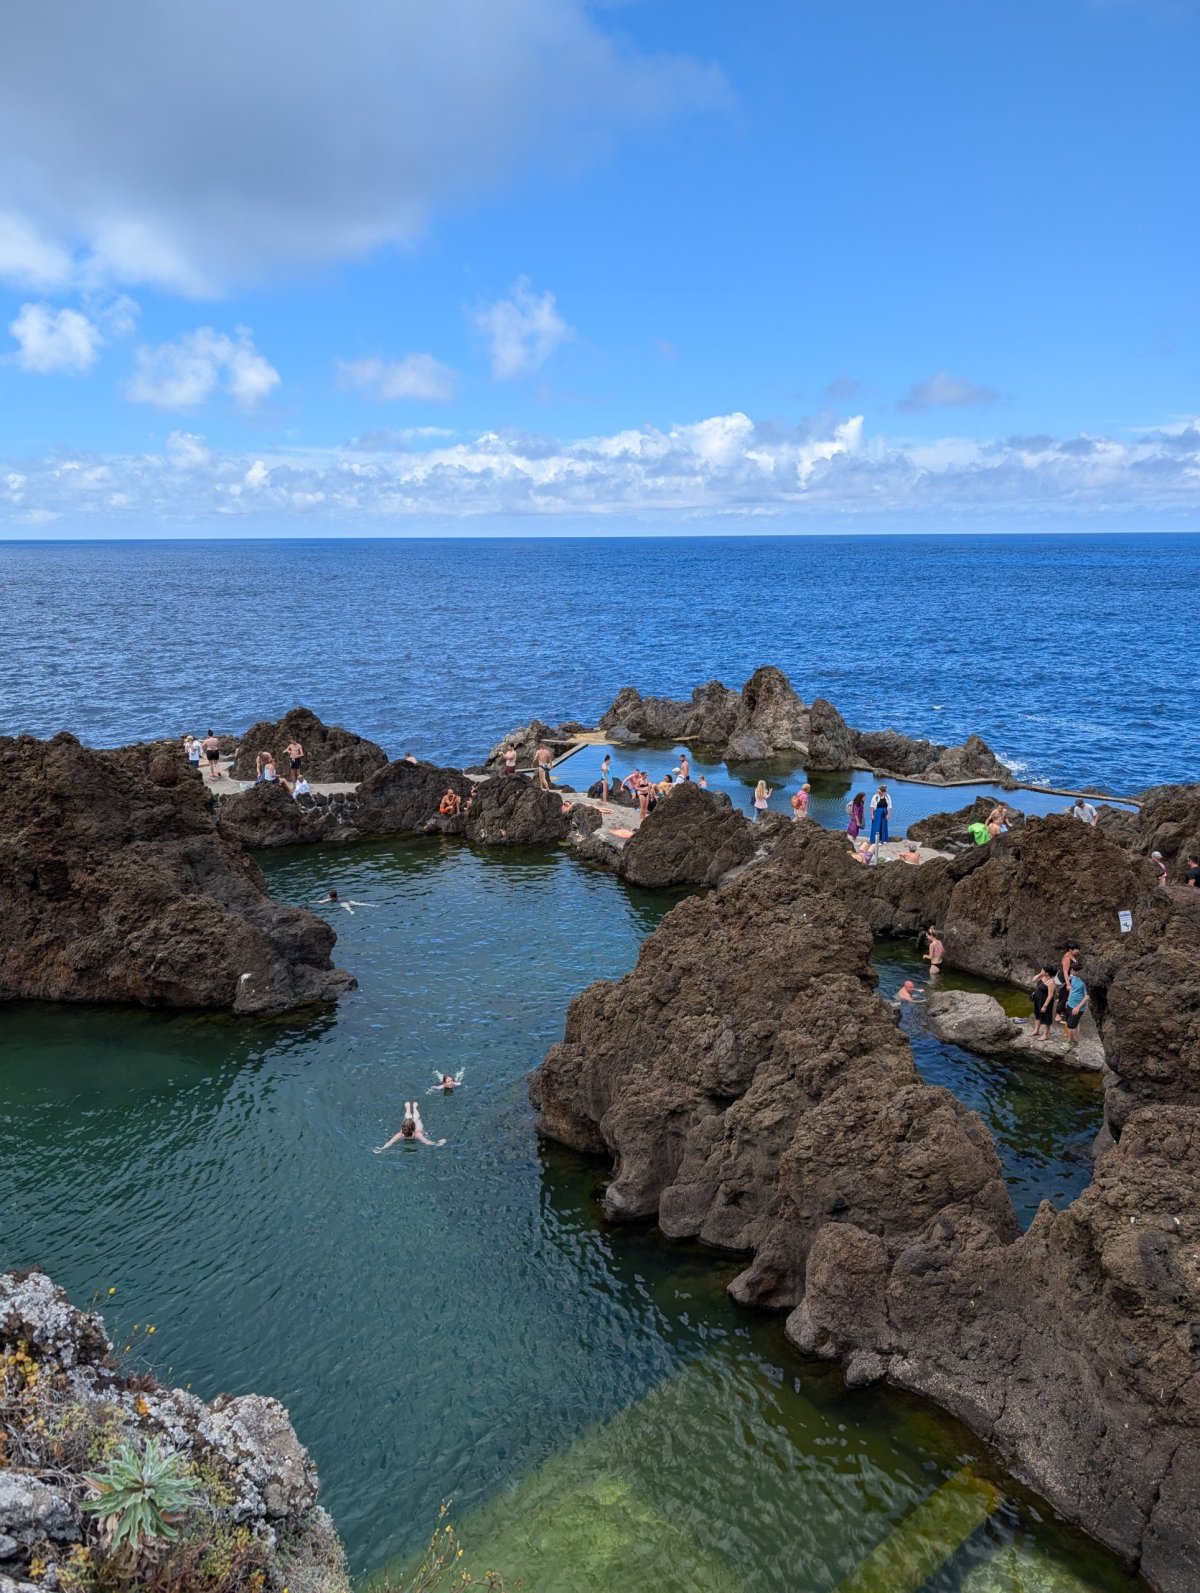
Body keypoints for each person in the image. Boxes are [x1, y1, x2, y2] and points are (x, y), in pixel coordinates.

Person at [374, 1102, 444, 1150]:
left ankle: (408, 1108)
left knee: (410, 1119)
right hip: (416, 1131)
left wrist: (382, 1148)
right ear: (414, 1128)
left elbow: (390, 1143)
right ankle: (414, 1108)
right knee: (417, 1119)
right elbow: (427, 1142)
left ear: (402, 1128)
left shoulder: (400, 1135)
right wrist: (437, 1143)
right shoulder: (417, 1134)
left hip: (409, 1130)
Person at [1030, 966, 1058, 1040]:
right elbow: (1033, 980)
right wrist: (1040, 974)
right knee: (1037, 1014)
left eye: (1043, 970)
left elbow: (1050, 995)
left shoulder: (1051, 982)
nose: (1041, 970)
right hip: (1038, 999)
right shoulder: (1041, 977)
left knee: (1046, 1017)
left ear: (1047, 973)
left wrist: (1045, 1005)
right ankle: (1036, 1030)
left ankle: (1046, 1034)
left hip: (1045, 1001)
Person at [1064, 966, 1089, 1045]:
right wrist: (1068, 1000)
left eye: (1073, 971)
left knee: (1070, 1026)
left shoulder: (1085, 982)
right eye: (1071, 970)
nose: (1071, 972)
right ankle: (1075, 1040)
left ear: (1079, 972)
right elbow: (1071, 987)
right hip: (1070, 1004)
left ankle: (1069, 1043)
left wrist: (1078, 1007)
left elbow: (1087, 996)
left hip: (1077, 1007)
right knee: (1074, 1023)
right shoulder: (1073, 976)